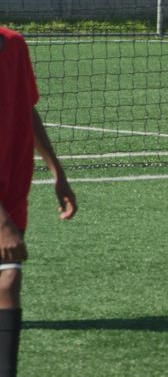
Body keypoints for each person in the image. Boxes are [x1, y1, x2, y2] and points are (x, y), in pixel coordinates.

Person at [0, 26, 77, 377]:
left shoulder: (14, 44)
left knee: (9, 282)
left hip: (12, 190)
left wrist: (56, 170)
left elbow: (26, 108)